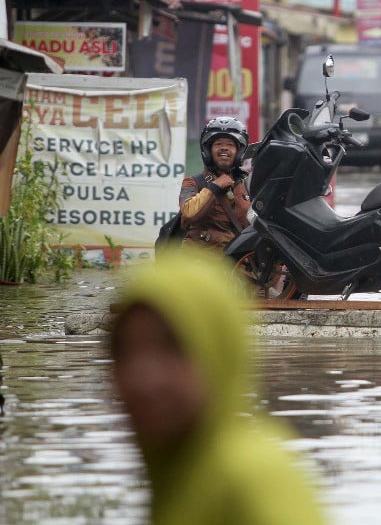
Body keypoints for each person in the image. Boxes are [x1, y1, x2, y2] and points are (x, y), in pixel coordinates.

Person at [110, 248, 329, 525]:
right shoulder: (176, 474)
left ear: (219, 351)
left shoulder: (253, 477)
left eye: (174, 348)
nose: (143, 378)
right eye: (126, 352)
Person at [180, 117, 252, 251]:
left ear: (239, 151)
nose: (224, 148)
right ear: (208, 150)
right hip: (201, 265)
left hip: (239, 267)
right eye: (218, 144)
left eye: (230, 144)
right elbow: (189, 214)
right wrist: (214, 187)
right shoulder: (192, 183)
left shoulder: (247, 185)